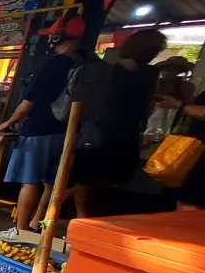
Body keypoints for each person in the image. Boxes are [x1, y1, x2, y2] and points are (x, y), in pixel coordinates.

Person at [0, 15, 89, 241]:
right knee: (50, 182)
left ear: (57, 37)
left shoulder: (54, 64)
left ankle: (21, 231)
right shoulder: (88, 62)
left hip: (40, 129)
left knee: (30, 181)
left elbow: (28, 104)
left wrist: (10, 121)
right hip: (69, 130)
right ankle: (37, 224)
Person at [71, 28, 166, 217]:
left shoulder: (119, 72)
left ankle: (76, 212)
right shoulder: (139, 74)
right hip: (110, 130)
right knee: (92, 177)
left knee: (93, 177)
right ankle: (79, 214)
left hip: (112, 130)